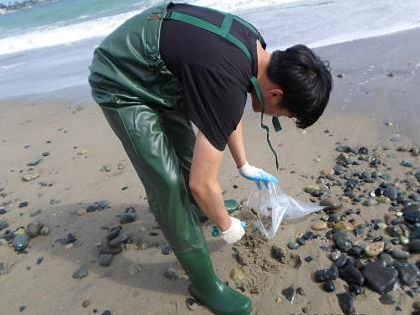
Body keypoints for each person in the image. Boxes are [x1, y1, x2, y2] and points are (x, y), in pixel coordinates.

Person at [88, 2, 332, 315]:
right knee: (169, 184)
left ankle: (198, 212)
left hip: (161, 73)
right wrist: (227, 226)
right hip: (121, 77)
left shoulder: (256, 48)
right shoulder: (227, 78)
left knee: (189, 152)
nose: (277, 117)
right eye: (282, 115)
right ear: (276, 95)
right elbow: (202, 183)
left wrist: (243, 164)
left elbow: (225, 110)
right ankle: (203, 284)